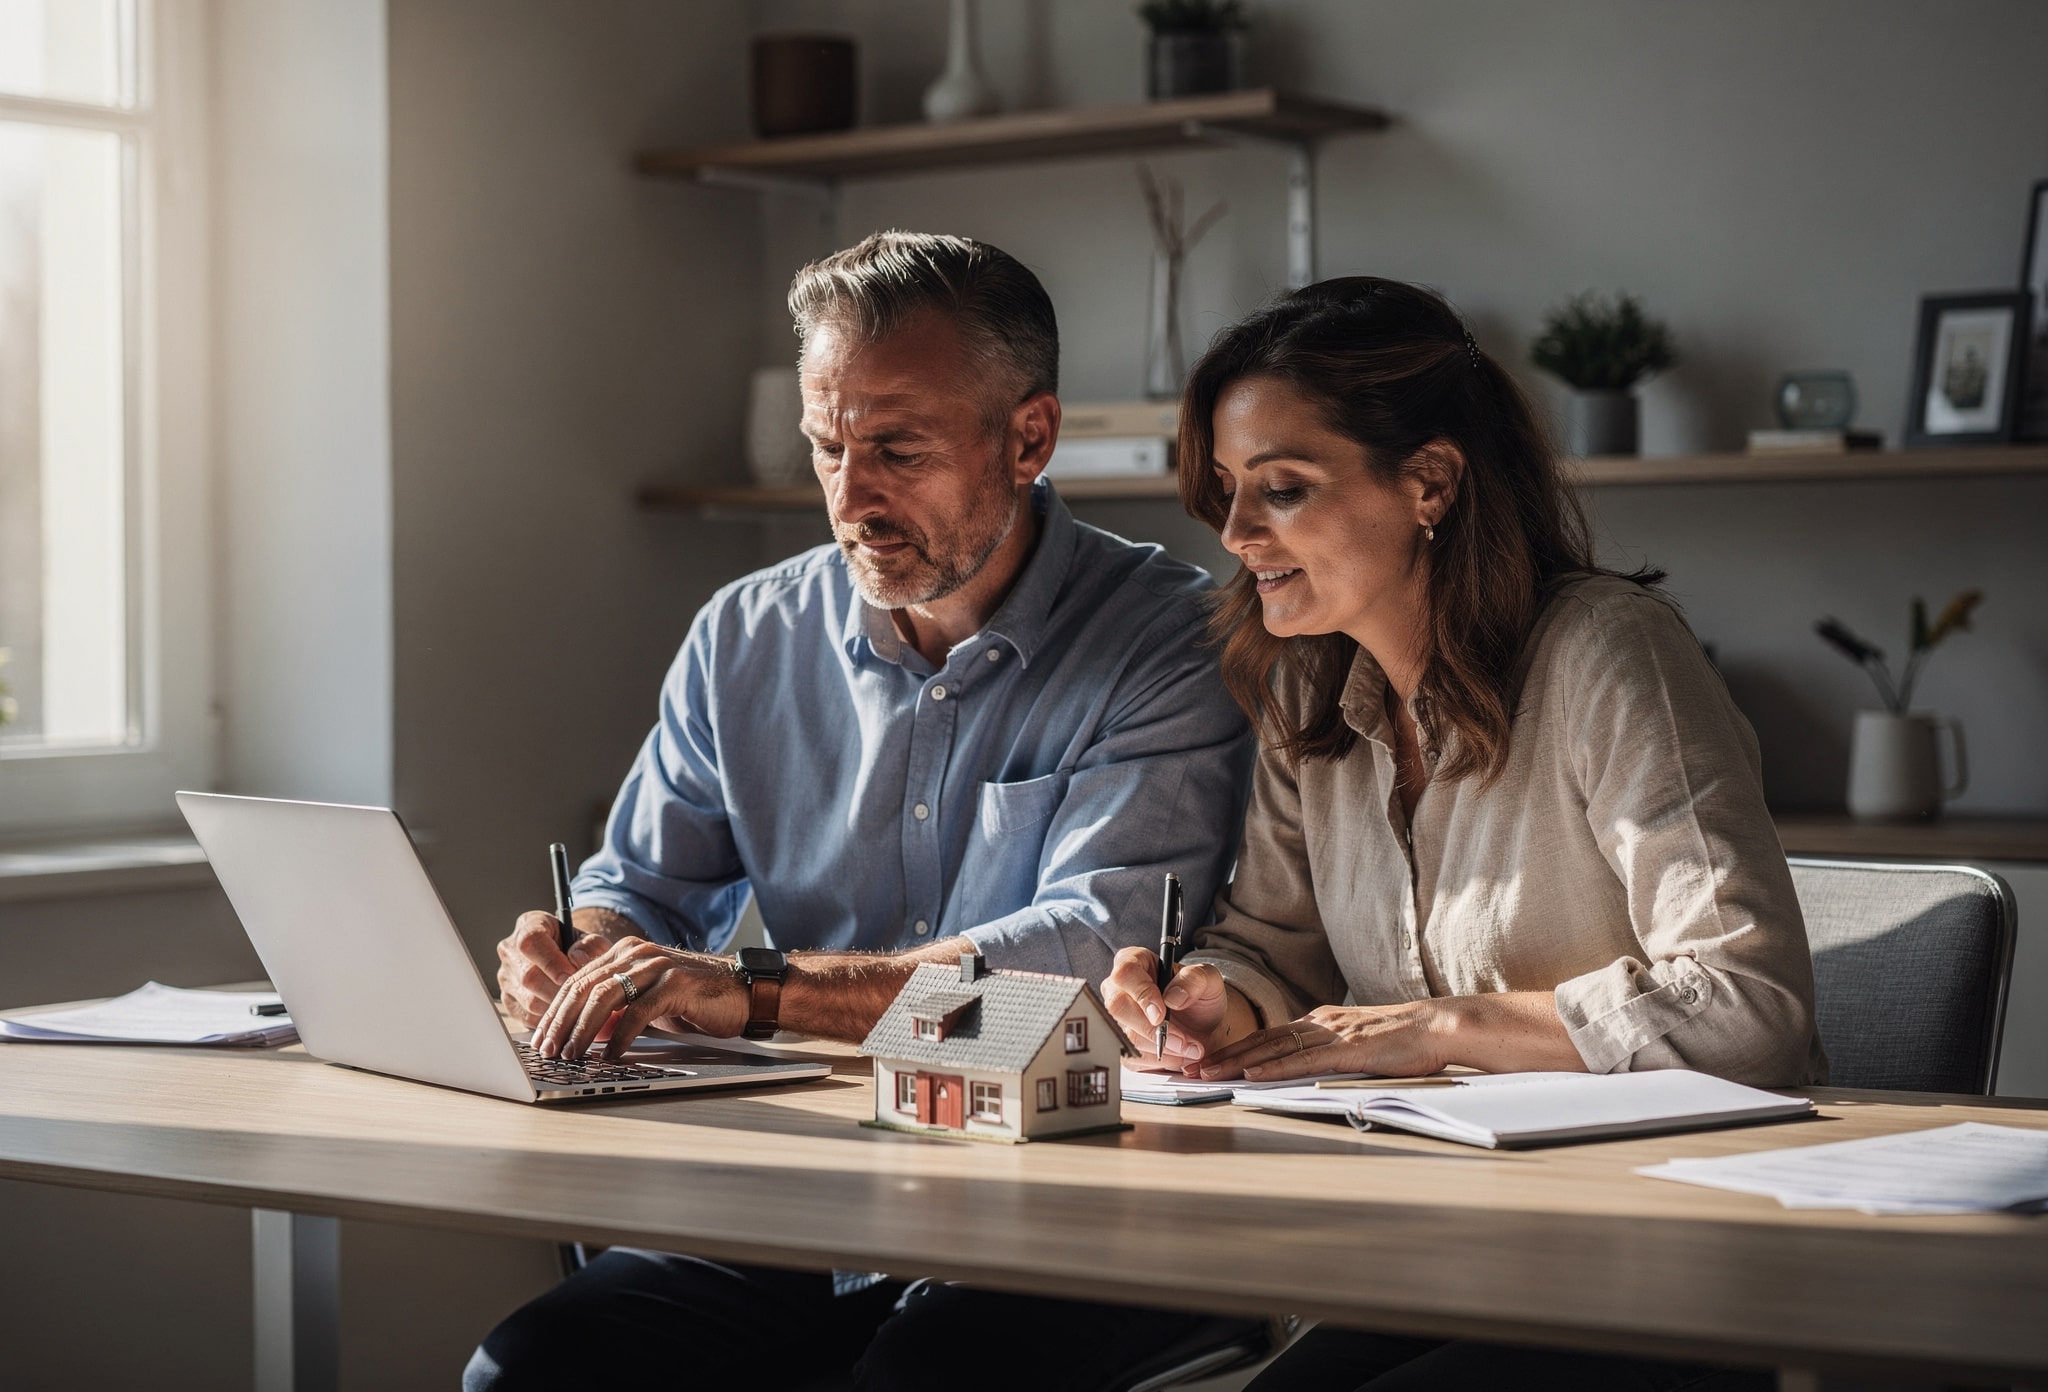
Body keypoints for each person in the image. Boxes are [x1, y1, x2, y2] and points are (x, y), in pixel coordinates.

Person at [466, 231, 1257, 1391]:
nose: (851, 495)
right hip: (807, 1193)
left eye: (897, 449)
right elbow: (638, 885)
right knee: (530, 1372)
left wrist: (753, 993)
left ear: (1028, 436)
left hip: (1062, 1198)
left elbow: (1079, 969)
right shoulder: (745, 633)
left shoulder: (1173, 644)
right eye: (826, 446)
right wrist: (577, 948)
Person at [1100, 277, 1823, 1391]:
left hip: (1672, 1252)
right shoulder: (1308, 688)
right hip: (1455, 1241)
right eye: (1229, 492)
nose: (1236, 533)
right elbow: (1274, 944)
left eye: (1280, 490)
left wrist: (1441, 1025)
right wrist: (1213, 998)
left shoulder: (1609, 656)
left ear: (1428, 482)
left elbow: (1748, 1007)